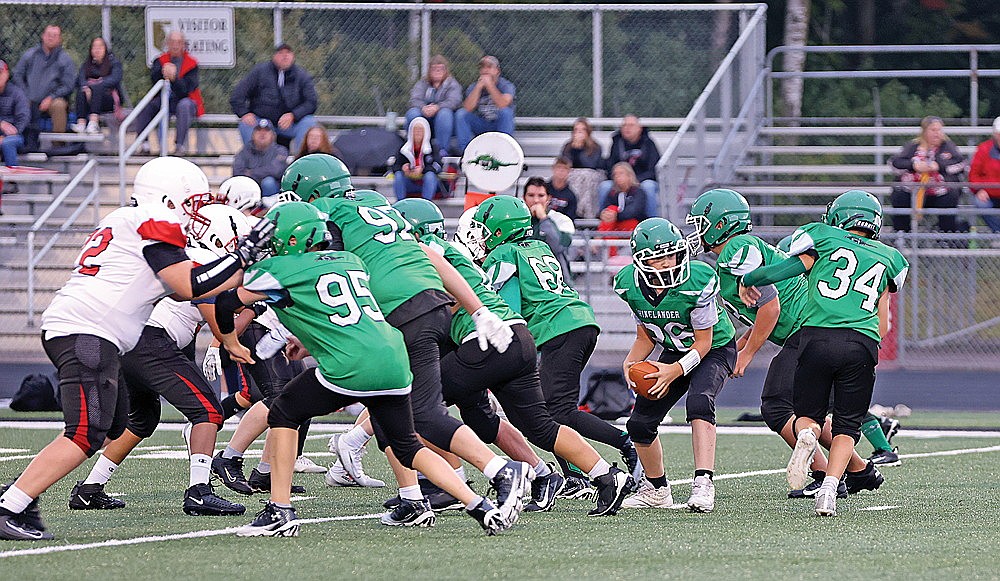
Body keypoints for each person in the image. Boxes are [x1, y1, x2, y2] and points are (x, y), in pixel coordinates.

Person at [0, 156, 274, 541]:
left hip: (85, 330)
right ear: (168, 197)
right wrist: (244, 257)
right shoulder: (151, 221)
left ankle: (19, 493)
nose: (195, 213)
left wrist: (256, 275)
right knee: (84, 433)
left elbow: (204, 284)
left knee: (111, 424)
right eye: (192, 202)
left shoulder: (127, 221)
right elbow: (190, 285)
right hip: (89, 332)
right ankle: (11, 504)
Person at [216, 202, 511, 537]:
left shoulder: (282, 268)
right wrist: (306, 340)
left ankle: (279, 511)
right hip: (394, 360)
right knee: (407, 445)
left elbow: (226, 301)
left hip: (352, 365)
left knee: (284, 411)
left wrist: (230, 342)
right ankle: (479, 506)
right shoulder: (351, 260)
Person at [280, 154, 529, 530]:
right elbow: (430, 257)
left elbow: (325, 282)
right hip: (428, 302)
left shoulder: (328, 217)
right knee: (388, 409)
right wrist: (477, 310)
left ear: (310, 193)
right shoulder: (376, 206)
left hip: (400, 311)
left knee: (424, 414)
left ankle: (502, 470)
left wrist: (299, 331)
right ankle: (413, 498)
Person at [394, 198, 631, 516]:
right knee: (540, 426)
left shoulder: (430, 255)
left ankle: (448, 483)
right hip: (520, 338)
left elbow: (444, 309)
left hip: (491, 340)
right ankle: (606, 476)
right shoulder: (507, 251)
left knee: (417, 407)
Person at [687, 189, 889, 500]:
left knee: (777, 405)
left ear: (720, 224)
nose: (697, 231)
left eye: (702, 223)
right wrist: (743, 344)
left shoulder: (737, 248)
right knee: (807, 411)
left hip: (810, 329)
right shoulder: (733, 255)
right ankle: (859, 471)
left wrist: (748, 354)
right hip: (816, 330)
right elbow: (763, 311)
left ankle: (828, 474)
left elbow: (771, 306)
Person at [69, 205, 252, 517]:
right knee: (207, 411)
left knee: (143, 419)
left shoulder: (188, 256)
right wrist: (256, 305)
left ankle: (89, 488)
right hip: (149, 342)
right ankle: (199, 491)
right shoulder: (202, 263)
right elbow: (222, 327)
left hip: (132, 341)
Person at [739, 190, 908, 517]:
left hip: (816, 336)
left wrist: (751, 279)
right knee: (846, 427)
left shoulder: (824, 238)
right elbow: (884, 321)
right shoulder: (889, 257)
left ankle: (806, 435)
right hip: (861, 342)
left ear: (838, 216)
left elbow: (786, 269)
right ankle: (830, 488)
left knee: (809, 416)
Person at [468, 195, 643, 498]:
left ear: (499, 228)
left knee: (554, 411)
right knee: (554, 409)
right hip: (575, 322)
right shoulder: (537, 246)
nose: (482, 235)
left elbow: (505, 309)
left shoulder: (505, 254)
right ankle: (580, 471)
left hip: (560, 328)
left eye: (485, 228)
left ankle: (623, 445)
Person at [614, 218, 736, 513]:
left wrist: (673, 370)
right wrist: (631, 361)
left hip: (715, 349)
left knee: (699, 401)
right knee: (639, 424)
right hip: (674, 348)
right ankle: (656, 489)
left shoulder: (697, 280)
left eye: (671, 254)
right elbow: (645, 336)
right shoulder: (628, 284)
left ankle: (704, 483)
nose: (667, 263)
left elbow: (704, 344)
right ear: (641, 261)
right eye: (657, 258)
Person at [230, 43, 317, 153]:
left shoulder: (302, 76)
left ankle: (302, 162)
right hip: (262, 122)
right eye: (281, 53)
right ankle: (255, 163)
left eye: (288, 53)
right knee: (246, 124)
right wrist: (244, 113)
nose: (285, 56)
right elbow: (237, 96)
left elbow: (311, 102)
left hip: (291, 125)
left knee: (309, 122)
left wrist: (293, 115)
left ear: (293, 56)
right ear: (274, 56)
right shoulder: (259, 72)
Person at [889, 115, 967, 233]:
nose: (937, 133)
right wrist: (914, 166)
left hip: (939, 191)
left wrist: (939, 166)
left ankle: (946, 237)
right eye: (933, 130)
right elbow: (895, 163)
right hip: (913, 190)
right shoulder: (913, 146)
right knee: (899, 194)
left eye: (939, 130)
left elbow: (961, 164)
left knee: (951, 195)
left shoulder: (948, 146)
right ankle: (902, 235)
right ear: (924, 131)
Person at [133, 30, 204, 155]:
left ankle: (179, 145)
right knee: (145, 105)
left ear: (183, 45)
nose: (175, 45)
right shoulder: (160, 61)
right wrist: (163, 72)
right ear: (167, 44)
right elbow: (154, 80)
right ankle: (144, 144)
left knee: (184, 105)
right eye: (172, 42)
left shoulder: (192, 64)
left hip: (184, 100)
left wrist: (174, 78)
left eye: (178, 42)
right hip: (164, 99)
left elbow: (187, 89)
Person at [12, 25, 76, 142]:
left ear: (60, 39)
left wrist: (51, 98)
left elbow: (68, 85)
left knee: (59, 106)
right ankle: (21, 144)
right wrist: (25, 95)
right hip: (29, 99)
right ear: (43, 36)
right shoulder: (30, 55)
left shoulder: (65, 59)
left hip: (52, 101)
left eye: (54, 35)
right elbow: (17, 75)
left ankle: (58, 146)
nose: (50, 38)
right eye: (48, 35)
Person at [600, 115, 660, 219]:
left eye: (631, 125)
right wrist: (619, 179)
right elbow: (610, 166)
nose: (627, 128)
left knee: (648, 187)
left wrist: (633, 181)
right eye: (624, 125)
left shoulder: (649, 143)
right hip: (619, 179)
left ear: (639, 128)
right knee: (605, 186)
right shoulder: (617, 142)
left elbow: (654, 170)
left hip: (642, 180)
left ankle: (652, 223)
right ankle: (604, 222)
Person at [406, 54, 462, 157]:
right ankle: (414, 149)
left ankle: (442, 152)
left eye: (440, 69)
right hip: (425, 117)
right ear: (429, 70)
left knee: (445, 113)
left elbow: (454, 101)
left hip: (444, 121)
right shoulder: (422, 83)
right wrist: (423, 107)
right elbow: (414, 99)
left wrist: (437, 107)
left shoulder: (452, 84)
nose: (437, 71)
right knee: (412, 113)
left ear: (446, 70)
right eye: (434, 69)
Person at [456, 55, 515, 153]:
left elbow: (503, 104)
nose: (485, 70)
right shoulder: (473, 86)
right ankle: (466, 153)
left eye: (489, 67)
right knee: (461, 114)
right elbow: (467, 108)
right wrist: (478, 88)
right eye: (483, 67)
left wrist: (490, 85)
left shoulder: (506, 85)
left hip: (499, 125)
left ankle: (504, 150)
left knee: (506, 112)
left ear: (497, 71)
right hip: (482, 124)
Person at [523, 176, 575, 276]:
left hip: (557, 282)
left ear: (548, 198)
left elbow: (558, 247)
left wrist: (543, 219)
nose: (536, 200)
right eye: (531, 195)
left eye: (541, 195)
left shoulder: (562, 220)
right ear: (524, 198)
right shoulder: (518, 222)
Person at [71, 37, 123, 135]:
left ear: (105, 49)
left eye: (100, 46)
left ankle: (93, 122)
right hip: (88, 98)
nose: (97, 49)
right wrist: (87, 87)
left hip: (108, 100)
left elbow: (115, 79)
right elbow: (80, 80)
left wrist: (94, 85)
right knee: (82, 90)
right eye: (94, 47)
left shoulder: (114, 63)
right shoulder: (86, 65)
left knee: (97, 87)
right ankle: (81, 123)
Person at [598, 163, 649, 255]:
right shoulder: (612, 193)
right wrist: (603, 214)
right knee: (610, 210)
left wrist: (616, 215)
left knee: (613, 212)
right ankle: (610, 254)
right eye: (615, 174)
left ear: (629, 175)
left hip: (634, 224)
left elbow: (635, 211)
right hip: (615, 225)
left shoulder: (638, 191)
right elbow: (605, 209)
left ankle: (605, 250)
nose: (617, 177)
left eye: (621, 173)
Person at [233, 118, 289, 198]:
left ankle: (270, 209)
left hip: (274, 191)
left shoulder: (281, 150)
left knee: (268, 182)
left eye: (266, 131)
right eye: (259, 130)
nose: (262, 134)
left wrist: (251, 172)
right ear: (253, 135)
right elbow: (237, 173)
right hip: (251, 188)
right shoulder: (244, 151)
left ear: (273, 135)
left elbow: (275, 170)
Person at [392, 116, 440, 201]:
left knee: (430, 176)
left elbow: (438, 166)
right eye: (415, 130)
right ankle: (400, 204)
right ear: (411, 132)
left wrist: (423, 169)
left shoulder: (432, 147)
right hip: (410, 182)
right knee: (398, 175)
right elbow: (395, 166)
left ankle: (426, 203)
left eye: (421, 130)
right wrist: (403, 168)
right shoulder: (404, 148)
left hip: (425, 183)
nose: (418, 132)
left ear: (426, 132)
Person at [969, 116, 1000, 234]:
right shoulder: (984, 149)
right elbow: (973, 176)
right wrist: (980, 189)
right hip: (989, 195)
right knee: (980, 203)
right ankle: (998, 234)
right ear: (994, 134)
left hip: (991, 191)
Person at [0, 59, 30, 167]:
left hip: (15, 136)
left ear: (7, 74)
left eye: (0, 73)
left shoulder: (17, 93)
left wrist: (6, 135)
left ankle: (12, 179)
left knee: (8, 142)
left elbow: (23, 117)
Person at [545, 157, 579, 221]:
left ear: (569, 171)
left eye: (565, 168)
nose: (561, 171)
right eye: (559, 167)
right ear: (553, 169)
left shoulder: (571, 195)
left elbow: (570, 218)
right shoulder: (543, 189)